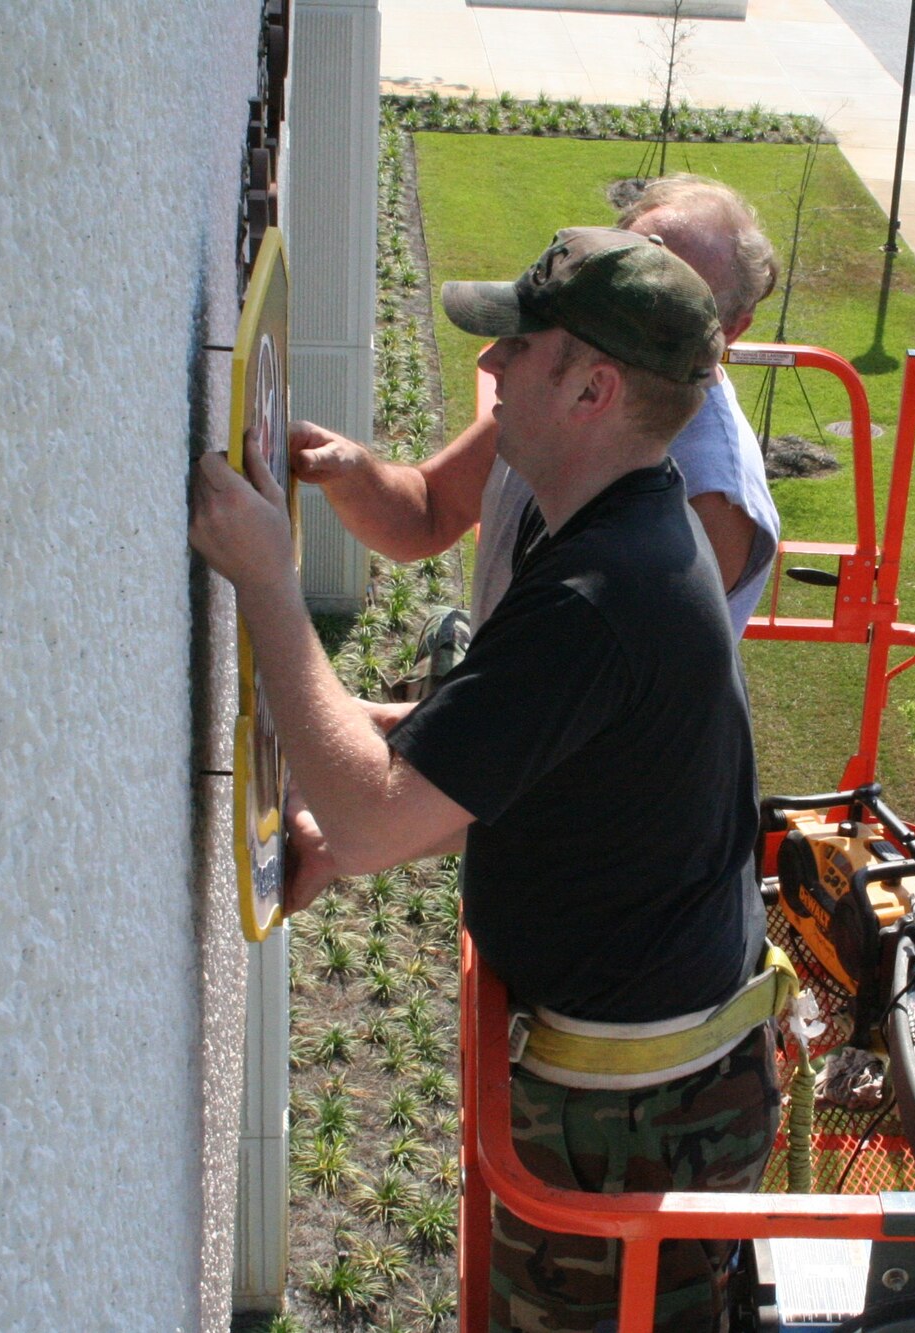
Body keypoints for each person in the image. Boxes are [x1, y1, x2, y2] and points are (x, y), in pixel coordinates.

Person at [189, 227, 778, 1333]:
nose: (493, 367)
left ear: (592, 387)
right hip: (652, 1082)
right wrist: (360, 738)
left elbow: (370, 823)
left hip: (633, 1121)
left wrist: (268, 577)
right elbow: (532, 747)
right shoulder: (624, 526)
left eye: (519, 345)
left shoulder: (601, 592)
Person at [290, 175, 781, 637]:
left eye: (673, 292)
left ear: (731, 330)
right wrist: (351, 473)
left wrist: (268, 585)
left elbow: (577, 707)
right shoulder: (554, 398)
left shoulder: (713, 498)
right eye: (628, 263)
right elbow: (430, 512)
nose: (628, 294)